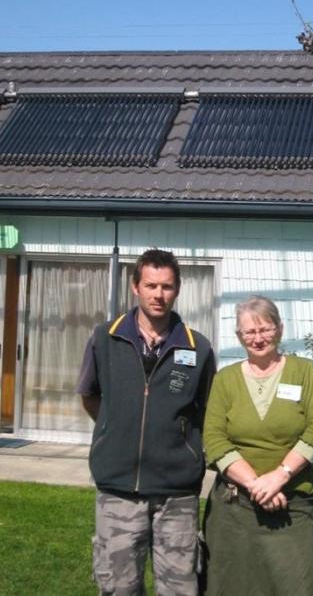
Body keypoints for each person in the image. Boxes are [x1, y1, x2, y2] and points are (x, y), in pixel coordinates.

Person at [77, 248, 216, 596]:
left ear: (178, 289)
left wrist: (184, 444)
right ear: (135, 286)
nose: (159, 295)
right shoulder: (104, 339)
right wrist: (115, 427)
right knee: (119, 587)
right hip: (118, 488)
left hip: (177, 492)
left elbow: (206, 410)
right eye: (151, 285)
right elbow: (90, 395)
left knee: (180, 589)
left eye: (167, 286)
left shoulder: (198, 348)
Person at [202, 295, 313, 596]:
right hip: (234, 511)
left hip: (292, 506)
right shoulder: (225, 380)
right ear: (239, 337)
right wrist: (256, 485)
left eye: (265, 329)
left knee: (299, 585)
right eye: (249, 332)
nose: (258, 338)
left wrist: (279, 476)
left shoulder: (304, 373)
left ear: (279, 329)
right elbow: (213, 438)